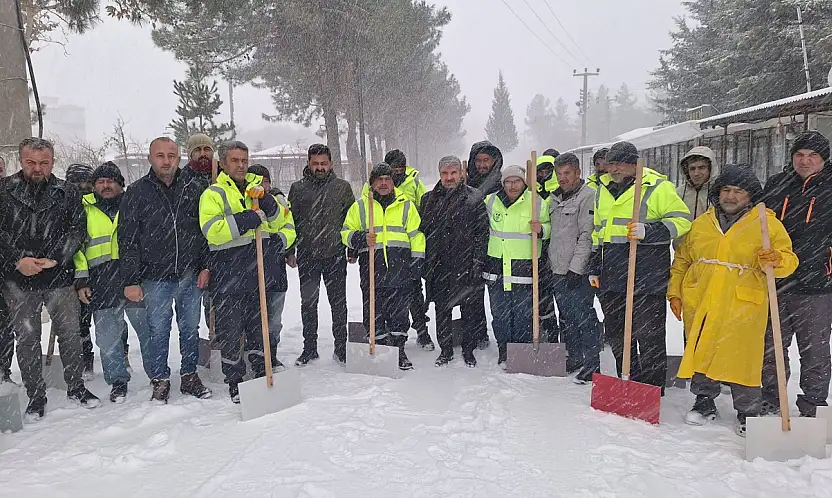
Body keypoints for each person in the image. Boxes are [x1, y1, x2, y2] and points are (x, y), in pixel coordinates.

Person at [669, 164, 797, 435]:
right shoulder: (702, 223)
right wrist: (676, 292)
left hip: (743, 302)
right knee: (702, 349)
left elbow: (789, 260)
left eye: (738, 191)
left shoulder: (766, 224)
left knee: (743, 357)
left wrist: (776, 260)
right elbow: (682, 260)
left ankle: (748, 411)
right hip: (702, 298)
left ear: (750, 195)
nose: (730, 196)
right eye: (726, 190)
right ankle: (704, 402)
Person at [0, 137, 100, 420]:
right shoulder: (4, 191)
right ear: (21, 161)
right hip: (18, 281)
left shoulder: (66, 192)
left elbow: (77, 230)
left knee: (70, 335)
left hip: (59, 278)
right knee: (28, 339)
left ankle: (76, 386)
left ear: (53, 162)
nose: (37, 168)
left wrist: (57, 257)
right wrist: (18, 259)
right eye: (31, 162)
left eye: (44, 163)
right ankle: (35, 395)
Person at [588, 141, 691, 392]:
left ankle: (652, 387)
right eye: (611, 164)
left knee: (649, 334)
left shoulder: (657, 187)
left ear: (634, 164)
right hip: (612, 270)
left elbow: (683, 220)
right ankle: (629, 378)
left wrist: (650, 231)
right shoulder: (603, 189)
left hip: (646, 272)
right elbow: (599, 230)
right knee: (617, 332)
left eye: (619, 163)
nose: (614, 169)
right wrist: (594, 262)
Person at [119, 136, 212, 403]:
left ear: (179, 157)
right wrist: (131, 280)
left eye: (171, 155)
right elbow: (127, 240)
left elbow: (204, 231)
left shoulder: (194, 188)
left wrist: (205, 265)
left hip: (190, 273)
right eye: (160, 155)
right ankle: (160, 379)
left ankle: (190, 375)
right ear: (150, 159)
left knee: (190, 329)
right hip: (154, 276)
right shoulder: (137, 193)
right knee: (158, 330)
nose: (166, 160)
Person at [200, 142, 291, 402]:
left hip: (256, 272)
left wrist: (268, 204)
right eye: (234, 160)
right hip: (228, 273)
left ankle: (261, 370)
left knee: (258, 328)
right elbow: (212, 231)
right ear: (224, 163)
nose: (240, 165)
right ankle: (235, 379)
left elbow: (279, 220)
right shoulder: (214, 194)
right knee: (230, 330)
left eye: (244, 160)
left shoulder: (256, 189)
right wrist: (248, 219)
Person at [761, 130, 832, 418]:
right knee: (771, 348)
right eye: (799, 155)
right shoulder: (777, 185)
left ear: (824, 159)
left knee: (814, 351)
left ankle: (814, 403)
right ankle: (771, 398)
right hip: (776, 281)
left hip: (818, 284)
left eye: (812, 156)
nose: (804, 161)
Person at [74, 162, 149, 403]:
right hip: (101, 281)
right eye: (100, 182)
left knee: (148, 331)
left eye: (111, 181)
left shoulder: (133, 204)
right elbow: (77, 248)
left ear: (120, 184)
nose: (106, 186)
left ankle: (157, 375)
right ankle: (117, 381)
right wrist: (82, 278)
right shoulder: (83, 210)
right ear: (94, 186)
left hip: (133, 278)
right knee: (107, 338)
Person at [342, 163, 425, 370]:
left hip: (400, 268)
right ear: (372, 183)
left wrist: (416, 261)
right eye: (379, 180)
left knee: (399, 312)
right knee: (374, 310)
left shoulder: (406, 205)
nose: (384, 183)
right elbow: (345, 232)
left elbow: (416, 235)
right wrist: (360, 238)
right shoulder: (361, 207)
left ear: (393, 182)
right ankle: (378, 347)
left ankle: (398, 349)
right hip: (372, 268)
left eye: (387, 179)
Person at [288, 144, 354, 366]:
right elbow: (291, 222)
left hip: (335, 255)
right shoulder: (298, 189)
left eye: (323, 163)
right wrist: (290, 250)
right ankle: (310, 348)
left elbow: (351, 221)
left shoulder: (342, 188)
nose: (319, 167)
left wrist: (352, 247)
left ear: (331, 164)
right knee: (308, 303)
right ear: (308, 163)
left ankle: (341, 347)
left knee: (339, 304)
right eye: (315, 163)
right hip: (308, 255)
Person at [420, 155, 488, 367]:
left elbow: (482, 233)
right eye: (445, 173)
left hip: (465, 264)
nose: (449, 178)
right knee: (442, 311)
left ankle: (469, 350)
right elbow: (423, 233)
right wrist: (425, 263)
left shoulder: (474, 197)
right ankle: (446, 350)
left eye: (453, 173)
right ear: (440, 175)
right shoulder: (428, 199)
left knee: (469, 311)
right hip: (439, 266)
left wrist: (477, 261)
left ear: (462, 174)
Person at [483, 165, 551, 369]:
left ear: (524, 182)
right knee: (500, 314)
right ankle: (504, 351)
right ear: (503, 183)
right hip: (497, 267)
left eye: (517, 181)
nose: (512, 186)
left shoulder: (536, 202)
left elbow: (550, 228)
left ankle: (521, 353)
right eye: (508, 182)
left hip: (524, 268)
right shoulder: (491, 201)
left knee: (523, 315)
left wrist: (542, 230)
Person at [548, 153, 599, 384]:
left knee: (584, 316)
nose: (563, 178)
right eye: (559, 174)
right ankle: (574, 356)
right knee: (566, 317)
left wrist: (576, 268)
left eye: (567, 173)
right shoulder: (554, 199)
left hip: (578, 271)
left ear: (578, 172)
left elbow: (586, 235)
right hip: (557, 269)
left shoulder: (587, 196)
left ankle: (592, 363)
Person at [384, 149, 434, 351]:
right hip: (386, 250)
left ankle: (422, 331)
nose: (397, 174)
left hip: (409, 247)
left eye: (400, 169)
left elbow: (425, 206)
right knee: (387, 294)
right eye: (393, 170)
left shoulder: (413, 182)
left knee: (414, 293)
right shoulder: (376, 183)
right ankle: (389, 331)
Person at [248, 163, 296, 371]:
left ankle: (272, 355)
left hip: (275, 273)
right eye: (256, 181)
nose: (261, 186)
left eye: (265, 181)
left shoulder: (279, 204)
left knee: (274, 321)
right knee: (255, 322)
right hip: (250, 274)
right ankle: (257, 360)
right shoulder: (243, 202)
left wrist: (278, 243)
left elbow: (290, 229)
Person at [466, 141, 504, 350]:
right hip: (472, 247)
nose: (482, 164)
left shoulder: (501, 183)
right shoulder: (467, 184)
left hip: (498, 246)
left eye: (486, 160)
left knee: (499, 296)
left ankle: (504, 335)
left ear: (493, 161)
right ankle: (478, 332)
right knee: (473, 294)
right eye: (479, 160)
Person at [182, 133, 216, 337]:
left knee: (217, 306)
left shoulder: (221, 176)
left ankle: (219, 341)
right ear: (190, 154)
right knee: (190, 314)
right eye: (198, 150)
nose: (203, 154)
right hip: (191, 256)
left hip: (219, 251)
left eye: (207, 149)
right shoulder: (182, 180)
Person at [65, 163, 97, 379]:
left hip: (102, 270)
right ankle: (85, 358)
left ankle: (120, 354)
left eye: (86, 182)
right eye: (76, 183)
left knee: (110, 320)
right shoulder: (64, 206)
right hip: (74, 274)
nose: (82, 187)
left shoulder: (98, 205)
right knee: (79, 322)